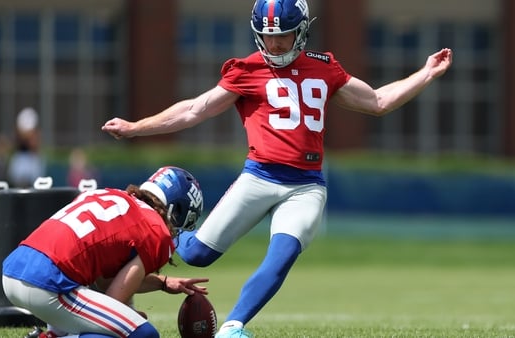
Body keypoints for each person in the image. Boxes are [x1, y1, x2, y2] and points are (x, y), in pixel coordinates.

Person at [102, 0, 453, 336]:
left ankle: (233, 326)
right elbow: (195, 109)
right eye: (267, 34)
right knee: (196, 254)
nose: (274, 41)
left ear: (301, 31)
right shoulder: (246, 69)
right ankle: (126, 249)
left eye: (282, 34)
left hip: (305, 185)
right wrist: (136, 127)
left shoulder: (325, 66)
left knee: (283, 253)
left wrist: (426, 73)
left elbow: (378, 101)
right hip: (259, 175)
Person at [2, 166, 206, 338]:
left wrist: (162, 283)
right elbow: (114, 297)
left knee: (103, 324)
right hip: (50, 283)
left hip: (15, 269)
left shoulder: (104, 194)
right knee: (144, 334)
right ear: (175, 210)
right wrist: (125, 318)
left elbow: (106, 279)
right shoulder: (155, 230)